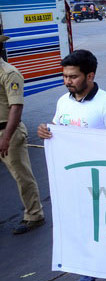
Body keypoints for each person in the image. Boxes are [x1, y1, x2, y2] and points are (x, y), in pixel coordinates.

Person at [37, 50, 106, 281]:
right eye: (65, 76)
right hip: (70, 181)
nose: (67, 81)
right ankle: (91, 277)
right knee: (79, 230)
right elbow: (57, 129)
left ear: (90, 75)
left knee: (95, 231)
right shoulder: (63, 101)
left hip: (98, 183)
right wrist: (46, 131)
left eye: (73, 77)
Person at [0, 35, 44, 235]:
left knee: (22, 176)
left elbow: (16, 108)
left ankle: (34, 215)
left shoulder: (9, 73)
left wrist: (6, 138)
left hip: (7, 131)